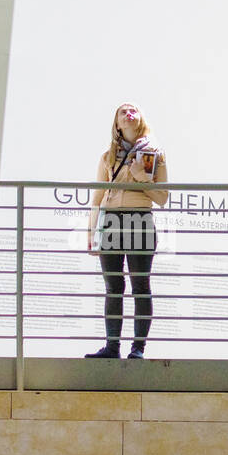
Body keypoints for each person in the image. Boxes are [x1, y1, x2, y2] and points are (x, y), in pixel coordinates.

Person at [86, 102, 169, 358]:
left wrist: (141, 176)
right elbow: (97, 198)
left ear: (141, 118)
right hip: (111, 221)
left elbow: (162, 198)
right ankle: (112, 347)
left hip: (140, 219)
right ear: (117, 124)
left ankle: (138, 349)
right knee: (113, 286)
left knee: (140, 285)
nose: (128, 114)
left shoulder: (155, 153)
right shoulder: (107, 156)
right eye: (122, 112)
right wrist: (91, 234)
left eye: (133, 110)